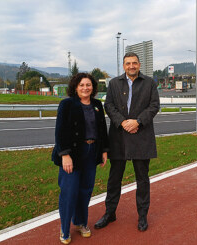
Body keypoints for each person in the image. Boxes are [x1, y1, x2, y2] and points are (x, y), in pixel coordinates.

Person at [94, 52, 160, 232]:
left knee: (142, 180)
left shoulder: (149, 83)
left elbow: (154, 106)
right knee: (114, 179)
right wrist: (123, 122)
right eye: (128, 63)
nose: (131, 66)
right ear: (123, 66)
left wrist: (137, 121)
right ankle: (110, 213)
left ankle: (142, 216)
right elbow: (109, 105)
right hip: (118, 138)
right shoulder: (114, 83)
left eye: (134, 63)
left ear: (139, 65)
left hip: (141, 136)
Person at [52, 73, 109, 244]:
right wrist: (65, 155)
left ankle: (80, 222)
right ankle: (64, 228)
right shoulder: (67, 104)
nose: (86, 88)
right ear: (75, 87)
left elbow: (102, 129)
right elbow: (60, 131)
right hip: (73, 153)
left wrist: (104, 151)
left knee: (85, 190)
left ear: (93, 87)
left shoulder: (97, 105)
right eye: (82, 85)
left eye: (89, 85)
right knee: (69, 192)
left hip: (92, 152)